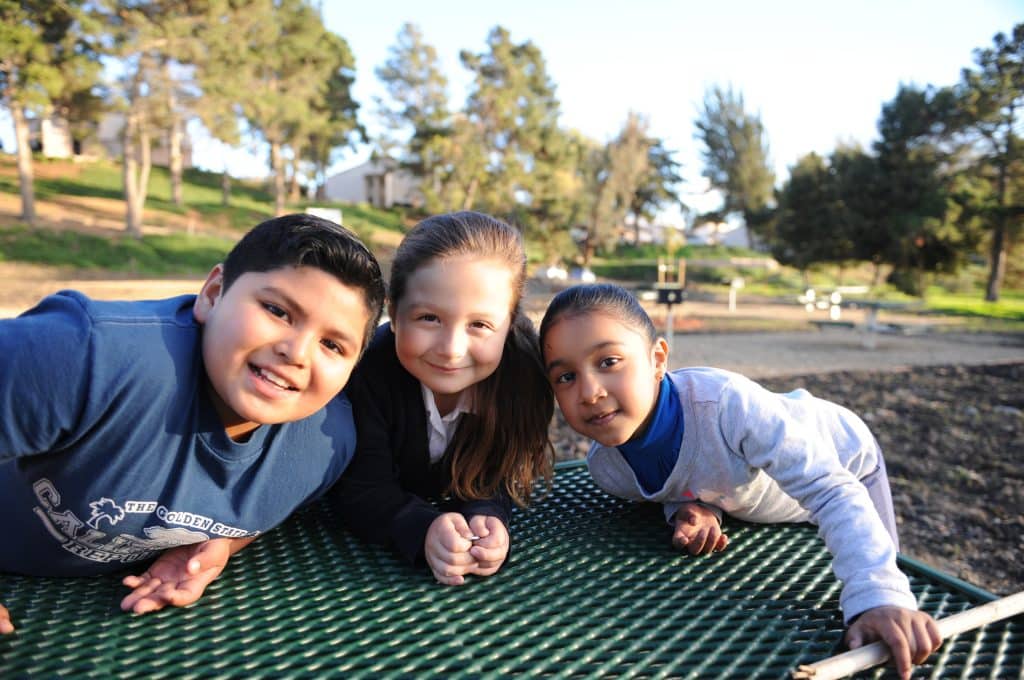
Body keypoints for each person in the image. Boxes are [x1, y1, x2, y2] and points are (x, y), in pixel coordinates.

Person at [0, 213, 386, 634]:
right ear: (213, 293)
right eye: (277, 311)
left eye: (332, 344)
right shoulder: (87, 355)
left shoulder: (327, 447)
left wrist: (219, 544)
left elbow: (266, 502)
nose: (297, 352)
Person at [538, 283, 942, 680]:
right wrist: (686, 507)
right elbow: (679, 473)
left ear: (658, 359)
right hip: (754, 493)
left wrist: (879, 597)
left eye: (608, 362)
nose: (589, 392)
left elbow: (831, 490)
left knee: (888, 615)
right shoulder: (609, 470)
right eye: (566, 377)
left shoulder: (727, 405)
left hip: (845, 463)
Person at [330, 211, 553, 585]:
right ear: (393, 311)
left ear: (509, 322)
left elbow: (500, 473)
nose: (452, 349)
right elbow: (359, 488)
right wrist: (421, 528)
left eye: (479, 325)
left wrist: (487, 513)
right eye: (429, 318)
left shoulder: (523, 378)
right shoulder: (367, 373)